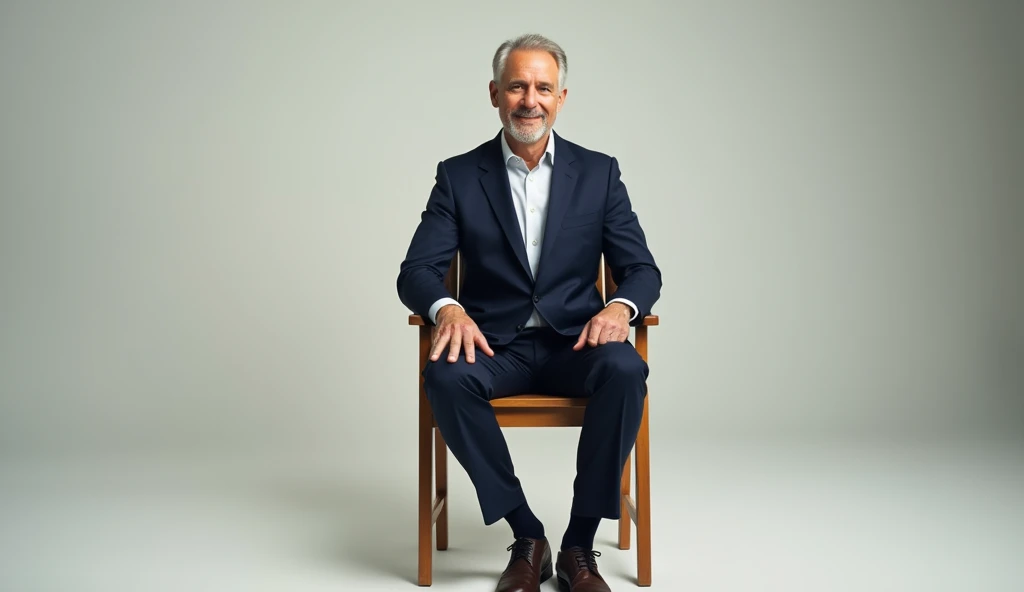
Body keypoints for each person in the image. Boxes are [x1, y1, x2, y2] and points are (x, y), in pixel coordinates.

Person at [397, 33, 661, 592]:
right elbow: (416, 271)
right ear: (495, 94)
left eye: (543, 87)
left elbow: (644, 271)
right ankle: (527, 533)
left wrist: (620, 305)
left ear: (562, 97)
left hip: (578, 344)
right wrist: (447, 309)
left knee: (627, 370)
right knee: (443, 376)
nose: (530, 99)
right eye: (517, 86)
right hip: (495, 346)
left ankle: (578, 546)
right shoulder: (459, 176)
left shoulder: (599, 173)